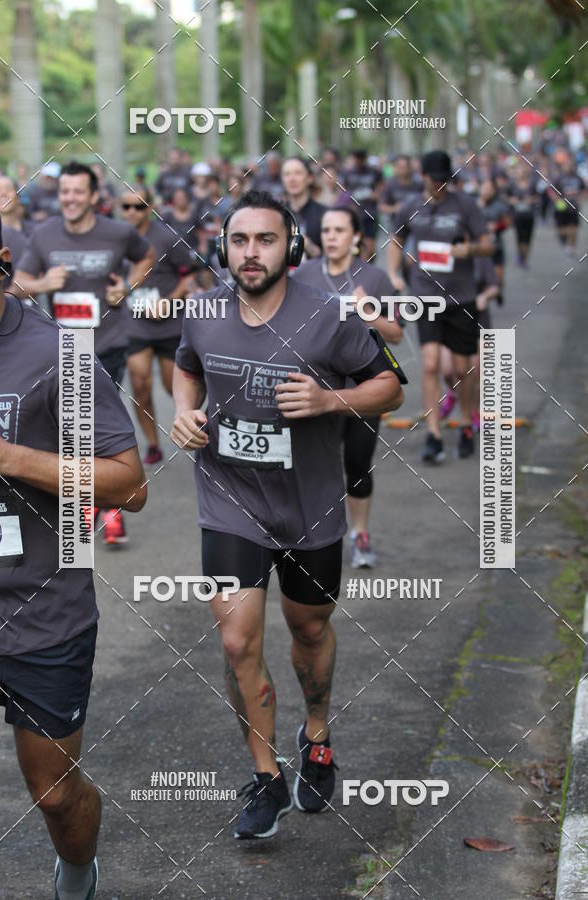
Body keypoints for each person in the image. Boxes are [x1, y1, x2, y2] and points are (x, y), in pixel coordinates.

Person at [171, 190, 404, 839]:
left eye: (266, 240)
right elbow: (186, 366)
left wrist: (330, 400)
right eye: (239, 240)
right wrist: (184, 412)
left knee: (309, 629)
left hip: (310, 507)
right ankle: (266, 776)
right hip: (230, 501)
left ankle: (317, 734)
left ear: (291, 247)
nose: (251, 253)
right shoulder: (203, 311)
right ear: (224, 248)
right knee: (237, 640)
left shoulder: (328, 316)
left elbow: (390, 386)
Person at [0, 199, 146, 900]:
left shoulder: (56, 355)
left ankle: (78, 873)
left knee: (54, 794)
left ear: (0, 265)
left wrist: (10, 459)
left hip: (42, 605)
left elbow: (129, 485)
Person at [14, 161, 155, 543]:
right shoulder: (44, 235)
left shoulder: (118, 232)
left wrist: (127, 286)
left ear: (94, 196)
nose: (70, 198)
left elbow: (147, 256)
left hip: (107, 343)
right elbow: (18, 282)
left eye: (78, 191)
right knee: (73, 430)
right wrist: (43, 282)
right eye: (65, 191)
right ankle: (91, 503)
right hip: (61, 349)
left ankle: (109, 512)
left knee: (95, 429)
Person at [296, 207, 403, 568]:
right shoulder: (304, 274)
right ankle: (312, 538)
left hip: (362, 388)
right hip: (315, 386)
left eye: (339, 230)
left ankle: (360, 535)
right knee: (312, 465)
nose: (330, 237)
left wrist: (368, 311)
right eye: (326, 230)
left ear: (356, 236)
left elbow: (396, 333)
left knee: (357, 463)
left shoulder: (375, 278)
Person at [388, 150, 493, 462]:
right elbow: (396, 239)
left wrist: (469, 249)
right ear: (423, 177)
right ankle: (433, 435)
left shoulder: (465, 205)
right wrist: (394, 274)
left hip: (461, 296)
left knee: (462, 369)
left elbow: (488, 244)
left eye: (444, 180)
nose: (439, 185)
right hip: (425, 296)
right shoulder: (410, 206)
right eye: (434, 180)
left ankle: (465, 424)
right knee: (431, 364)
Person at [121, 186, 196, 465]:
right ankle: (153, 444)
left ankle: (195, 430)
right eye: (126, 207)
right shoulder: (116, 238)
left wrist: (168, 301)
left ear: (150, 208)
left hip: (168, 324)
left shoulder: (167, 237)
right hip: (134, 323)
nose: (132, 212)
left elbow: (189, 277)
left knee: (172, 386)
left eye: (138, 206)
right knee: (139, 383)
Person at [281, 157, 327, 258]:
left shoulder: (324, 214)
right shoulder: (277, 214)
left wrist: (304, 242)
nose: (292, 179)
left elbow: (329, 258)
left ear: (310, 178)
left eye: (298, 173)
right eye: (287, 174)